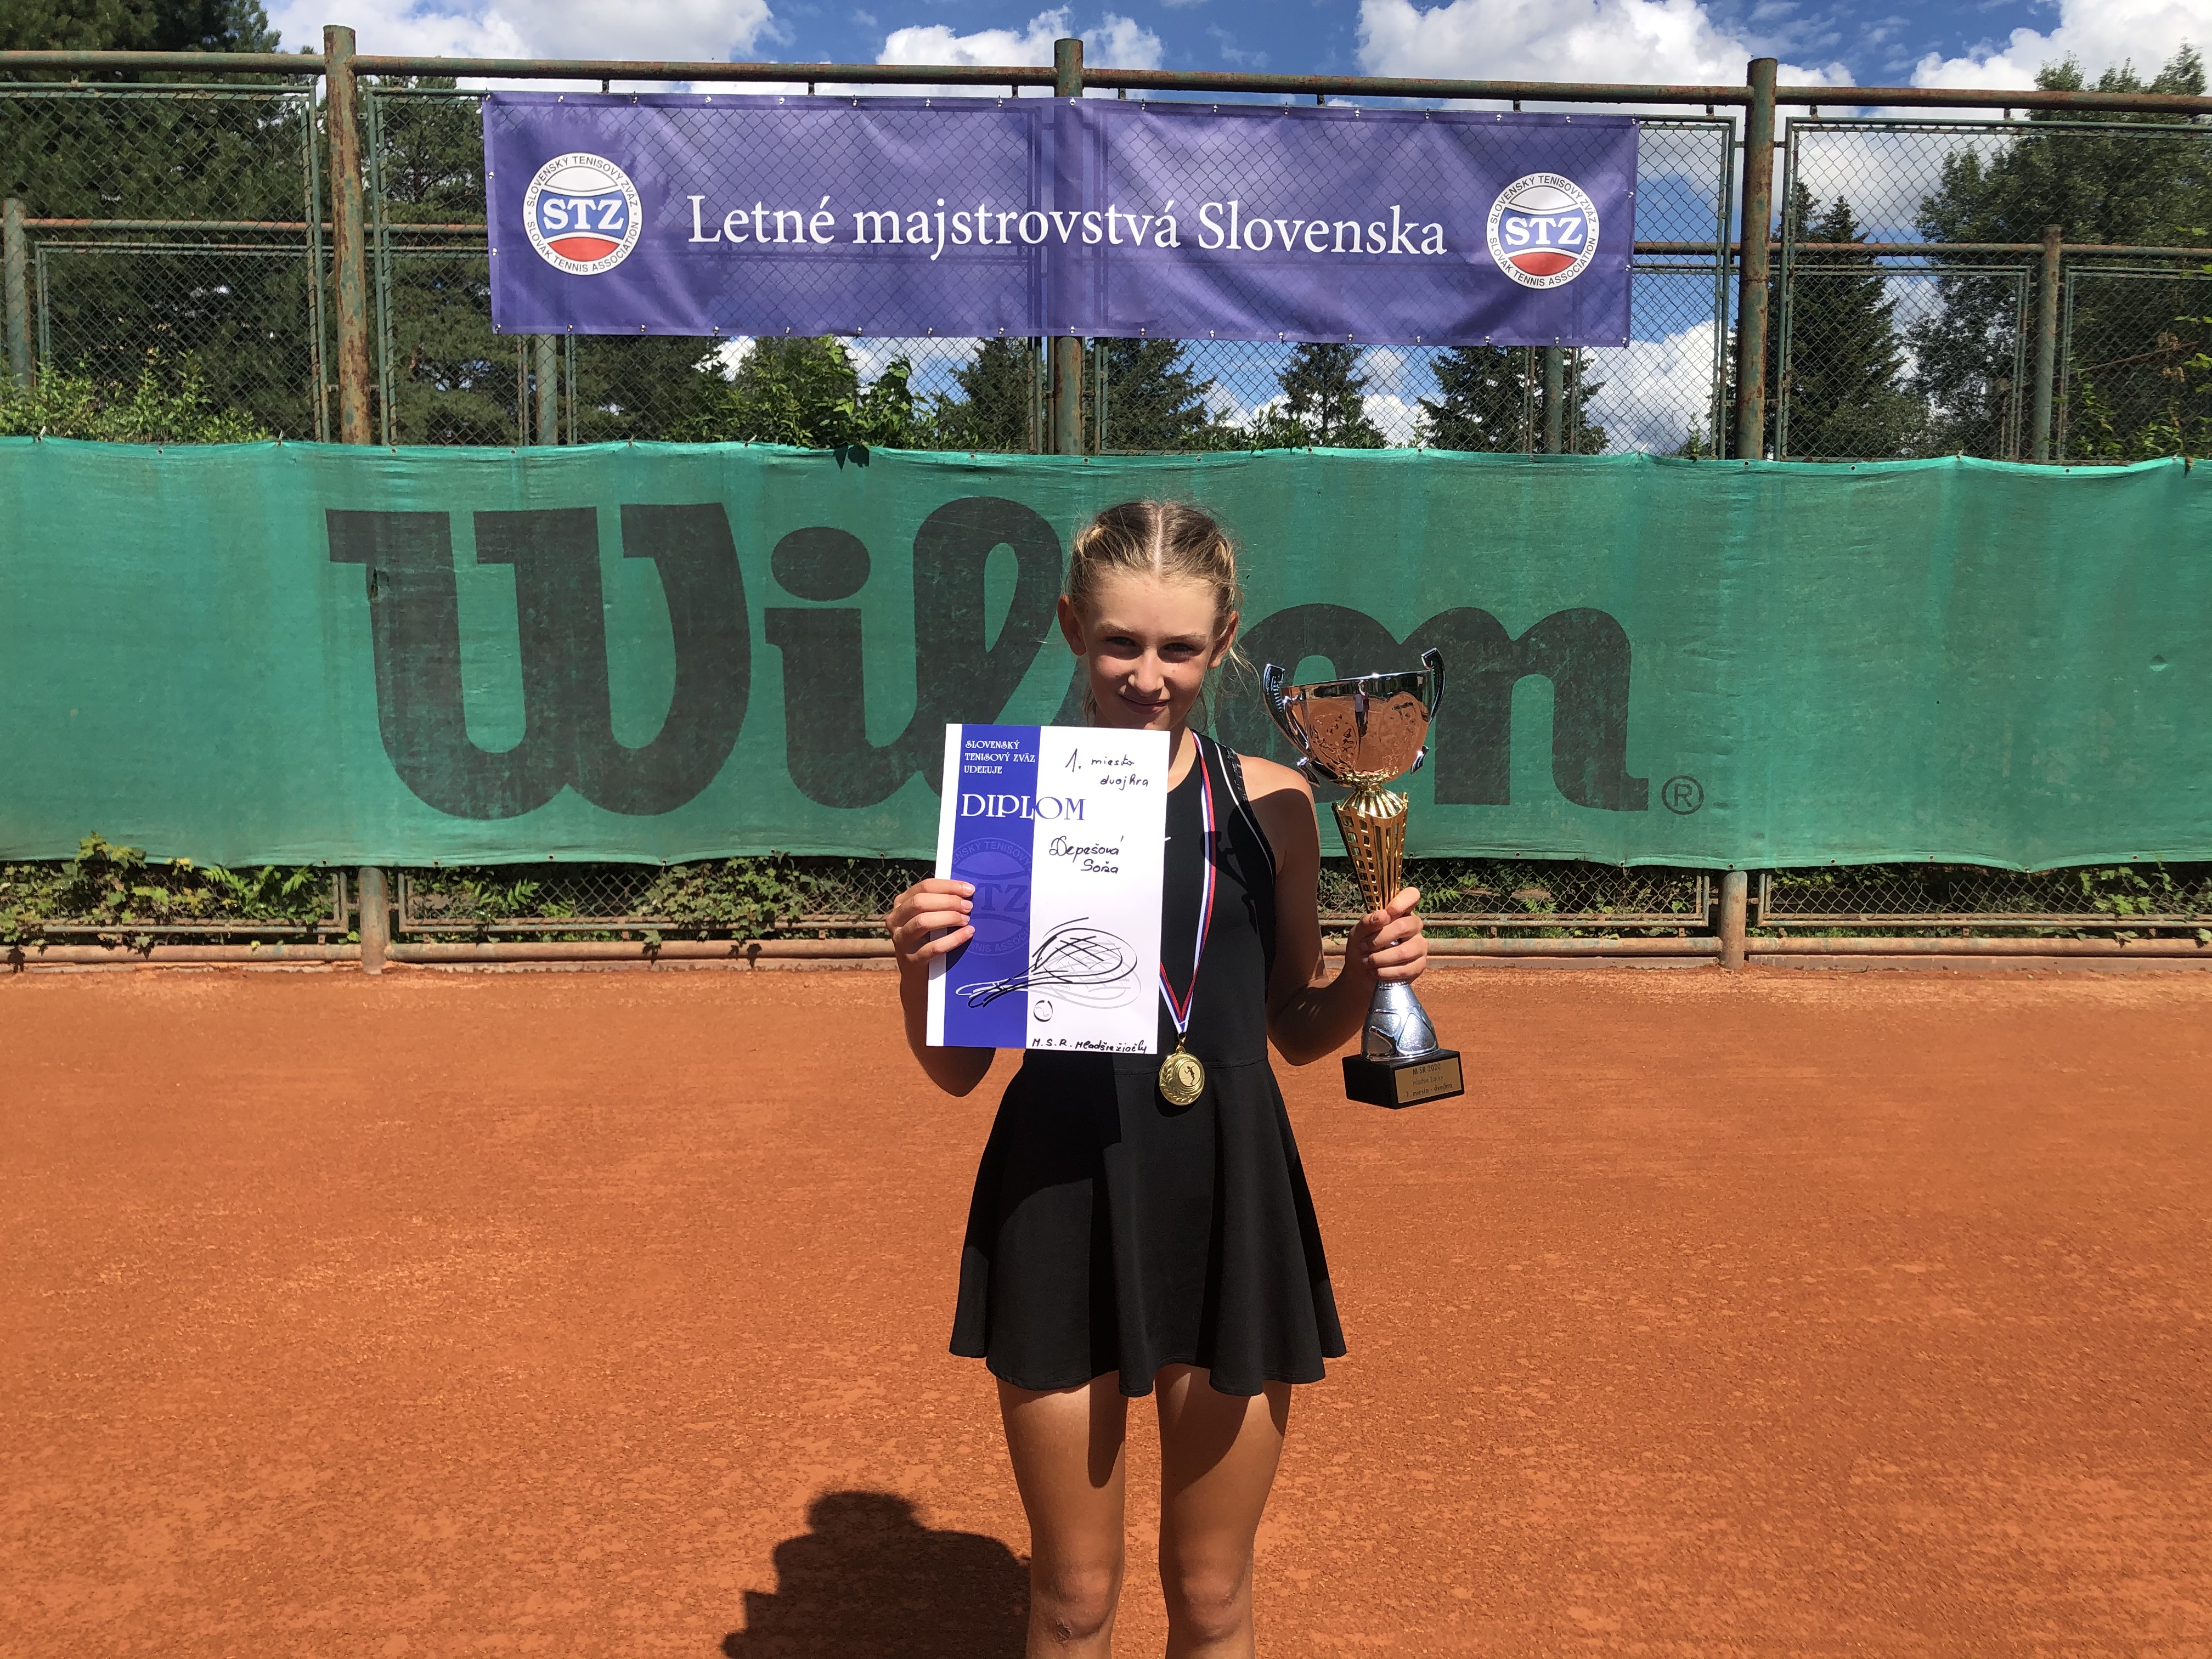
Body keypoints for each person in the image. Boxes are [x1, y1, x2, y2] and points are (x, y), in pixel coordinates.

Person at [885, 499, 1429, 1658]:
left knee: (1214, 1595)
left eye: (1179, 648)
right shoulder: (1008, 797)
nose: (1147, 676)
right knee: (1074, 1599)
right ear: (1071, 627)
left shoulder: (1277, 802)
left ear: (1223, 642)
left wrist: (1364, 977)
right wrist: (916, 968)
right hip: (1061, 1191)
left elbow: (1296, 1030)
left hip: (1230, 1190)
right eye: (1119, 643)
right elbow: (957, 1069)